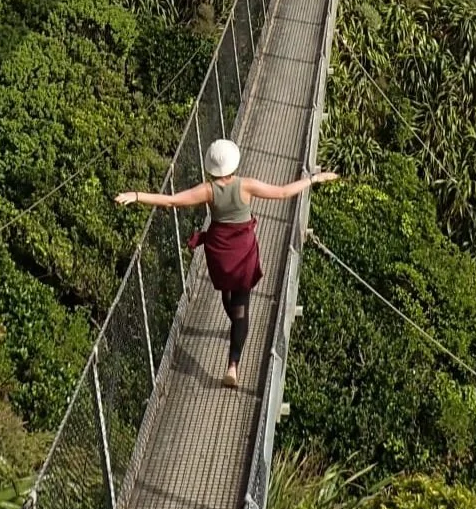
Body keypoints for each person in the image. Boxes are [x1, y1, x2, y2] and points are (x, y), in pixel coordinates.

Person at [115, 140, 339, 388]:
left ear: (211, 167)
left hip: (221, 256)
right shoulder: (246, 185)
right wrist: (314, 179)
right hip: (243, 254)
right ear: (234, 163)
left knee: (227, 298)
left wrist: (136, 195)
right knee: (241, 306)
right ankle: (233, 364)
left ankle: (236, 327)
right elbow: (284, 192)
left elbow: (172, 201)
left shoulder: (208, 190)